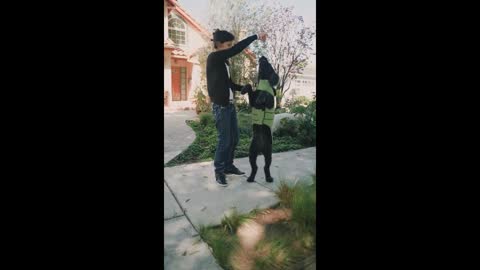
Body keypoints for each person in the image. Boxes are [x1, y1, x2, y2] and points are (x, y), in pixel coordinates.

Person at [206, 29, 267, 186]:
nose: (230, 47)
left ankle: (228, 166)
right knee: (224, 141)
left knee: (234, 139)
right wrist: (255, 36)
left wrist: (243, 88)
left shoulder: (224, 62)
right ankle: (219, 171)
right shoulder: (213, 58)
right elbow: (236, 50)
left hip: (230, 105)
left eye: (230, 45)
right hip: (221, 106)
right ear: (219, 45)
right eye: (228, 45)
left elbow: (229, 84)